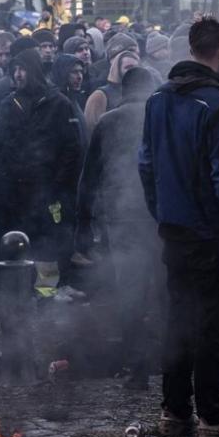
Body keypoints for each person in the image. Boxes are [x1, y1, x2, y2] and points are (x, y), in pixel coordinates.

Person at [140, 18, 219, 437]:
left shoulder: (157, 99)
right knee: (212, 327)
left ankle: (174, 413)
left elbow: (146, 165)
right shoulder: (217, 105)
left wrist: (162, 213)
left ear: (191, 48)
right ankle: (214, 418)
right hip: (211, 237)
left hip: (175, 232)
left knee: (178, 320)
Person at [77, 67, 161, 389]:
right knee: (167, 291)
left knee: (130, 293)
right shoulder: (161, 118)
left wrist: (83, 224)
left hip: (121, 218)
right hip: (161, 218)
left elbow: (89, 178)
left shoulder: (108, 121)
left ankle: (136, 370)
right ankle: (171, 364)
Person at [0, 49, 83, 285]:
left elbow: (72, 149)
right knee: (18, 244)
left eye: (22, 68)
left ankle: (46, 294)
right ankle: (21, 294)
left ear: (33, 70)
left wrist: (57, 186)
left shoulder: (58, 103)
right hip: (17, 193)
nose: (17, 74)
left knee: (47, 247)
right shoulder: (8, 104)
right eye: (14, 70)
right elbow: (1, 147)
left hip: (49, 191)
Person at [83, 50, 140, 134]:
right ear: (117, 69)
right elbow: (91, 129)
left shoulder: (141, 92)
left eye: (136, 67)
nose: (133, 71)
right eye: (128, 67)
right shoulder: (100, 95)